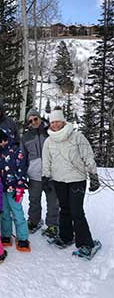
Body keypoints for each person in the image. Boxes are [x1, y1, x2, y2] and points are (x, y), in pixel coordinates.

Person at [42, 108, 100, 256]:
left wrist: (93, 175)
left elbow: (88, 156)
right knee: (64, 209)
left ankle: (86, 243)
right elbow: (47, 162)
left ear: (63, 121)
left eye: (58, 121)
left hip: (77, 180)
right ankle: (66, 237)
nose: (55, 125)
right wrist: (45, 177)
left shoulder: (77, 137)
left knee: (77, 212)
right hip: (59, 180)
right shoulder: (49, 141)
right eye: (52, 122)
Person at [22, 109, 59, 237]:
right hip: (34, 174)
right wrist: (24, 174)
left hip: (51, 174)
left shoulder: (50, 132)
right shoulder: (26, 137)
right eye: (30, 121)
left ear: (40, 118)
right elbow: (23, 156)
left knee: (53, 201)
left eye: (35, 119)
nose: (33, 122)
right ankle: (34, 221)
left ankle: (53, 225)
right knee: (34, 200)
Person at [0, 128, 30, 252]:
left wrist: (20, 187)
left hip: (14, 188)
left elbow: (22, 169)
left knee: (17, 213)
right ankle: (6, 235)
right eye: (0, 141)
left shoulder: (16, 150)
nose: (3, 143)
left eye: (4, 140)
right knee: (4, 213)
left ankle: (23, 238)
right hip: (2, 189)